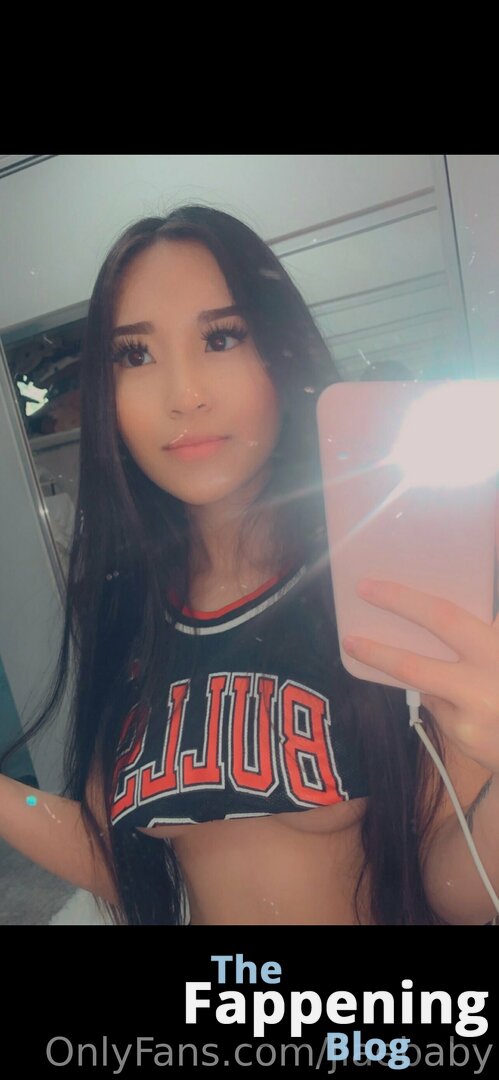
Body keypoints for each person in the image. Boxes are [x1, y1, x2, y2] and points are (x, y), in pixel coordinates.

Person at [1, 206, 498, 926]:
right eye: (134, 354)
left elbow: (454, 889)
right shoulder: (129, 609)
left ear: (280, 353)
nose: (184, 395)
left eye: (221, 337)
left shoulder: (382, 588)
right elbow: (115, 856)